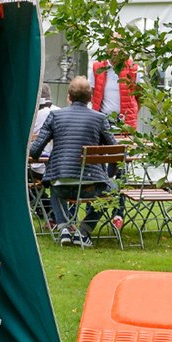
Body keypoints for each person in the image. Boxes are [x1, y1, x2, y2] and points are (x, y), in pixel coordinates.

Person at [28, 77, 120, 247]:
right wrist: (109, 175)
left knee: (54, 183)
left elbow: (34, 151)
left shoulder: (55, 116)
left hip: (62, 186)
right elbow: (115, 151)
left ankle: (64, 227)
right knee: (113, 188)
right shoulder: (100, 119)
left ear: (68, 97)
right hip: (92, 186)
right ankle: (84, 231)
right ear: (90, 98)